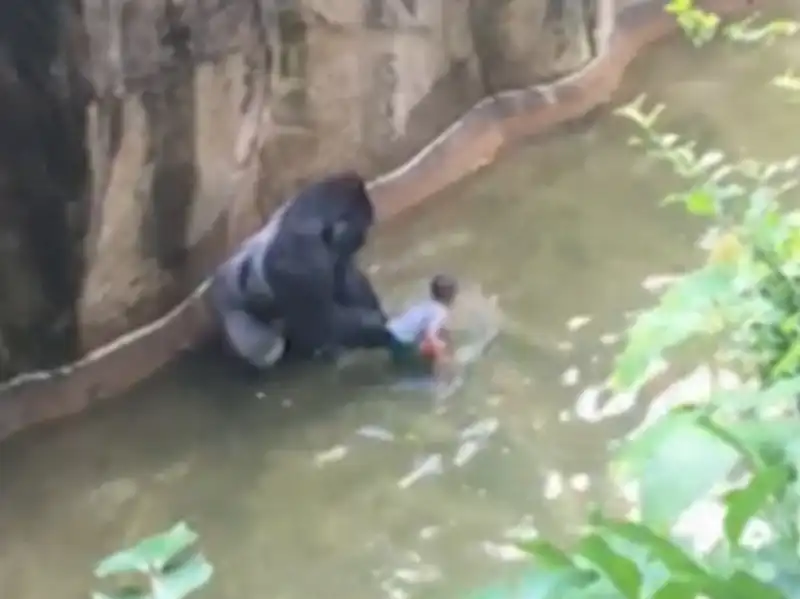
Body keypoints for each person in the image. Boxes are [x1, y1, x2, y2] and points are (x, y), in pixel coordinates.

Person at [387, 274, 459, 376]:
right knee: (439, 346)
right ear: (452, 295)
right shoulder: (441, 311)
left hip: (391, 331)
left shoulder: (426, 305)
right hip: (401, 339)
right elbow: (430, 334)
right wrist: (442, 359)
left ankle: (396, 367)